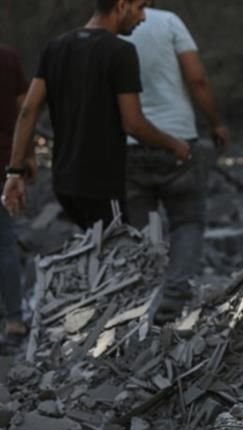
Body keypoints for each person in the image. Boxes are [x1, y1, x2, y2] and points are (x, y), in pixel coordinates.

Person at [2, 0, 190, 232]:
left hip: (64, 185)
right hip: (101, 186)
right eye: (140, 7)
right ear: (121, 5)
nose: (143, 17)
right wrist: (175, 145)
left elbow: (28, 110)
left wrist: (14, 172)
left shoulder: (57, 47)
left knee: (95, 253)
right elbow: (134, 124)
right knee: (118, 255)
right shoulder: (121, 52)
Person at [122, 4, 230, 324]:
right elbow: (196, 79)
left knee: (141, 232)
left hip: (129, 144)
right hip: (178, 140)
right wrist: (215, 122)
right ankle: (173, 297)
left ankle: (144, 303)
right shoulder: (169, 22)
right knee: (187, 221)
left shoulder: (109, 32)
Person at [0, 46, 33, 352]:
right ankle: (13, 322)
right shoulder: (8, 58)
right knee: (4, 244)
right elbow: (26, 108)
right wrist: (26, 156)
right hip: (4, 161)